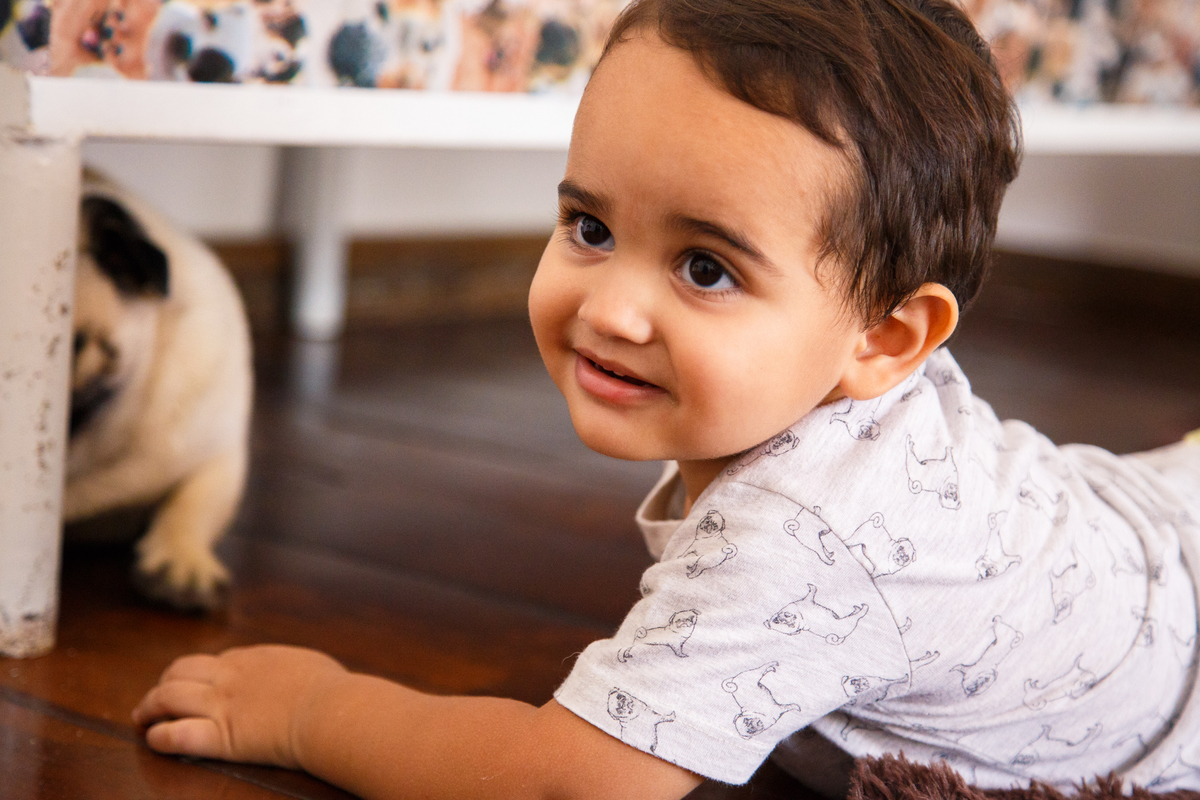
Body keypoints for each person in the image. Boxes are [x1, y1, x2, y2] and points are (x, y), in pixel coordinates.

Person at [132, 0, 1200, 797]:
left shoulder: (805, 533)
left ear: (884, 337)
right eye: (590, 228)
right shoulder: (836, 401)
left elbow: (569, 780)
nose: (610, 309)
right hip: (1117, 525)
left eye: (705, 268)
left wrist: (313, 709)